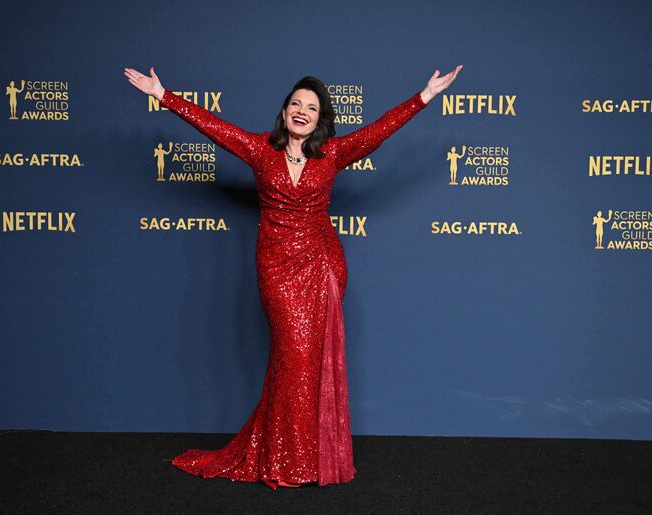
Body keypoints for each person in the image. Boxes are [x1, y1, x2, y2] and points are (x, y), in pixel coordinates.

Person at [124, 64, 462, 489]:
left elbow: (377, 132)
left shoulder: (334, 153)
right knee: (293, 358)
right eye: (296, 104)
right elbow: (215, 127)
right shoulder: (260, 149)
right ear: (284, 111)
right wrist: (163, 94)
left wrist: (424, 96)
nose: (302, 111)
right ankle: (286, 457)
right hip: (277, 270)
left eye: (312, 107)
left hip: (322, 265)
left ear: (321, 119)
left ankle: (302, 460)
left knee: (308, 364)